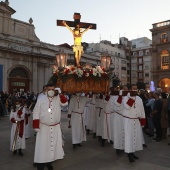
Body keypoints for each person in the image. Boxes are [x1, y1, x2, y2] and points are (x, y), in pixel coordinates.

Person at [33, 84, 68, 170]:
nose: (51, 91)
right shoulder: (41, 98)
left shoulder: (58, 98)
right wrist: (36, 125)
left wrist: (60, 93)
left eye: (53, 89)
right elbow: (36, 111)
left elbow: (65, 103)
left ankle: (49, 162)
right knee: (43, 147)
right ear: (46, 90)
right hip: (44, 128)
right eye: (49, 89)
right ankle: (40, 165)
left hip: (55, 127)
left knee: (52, 146)